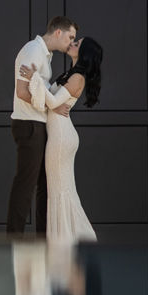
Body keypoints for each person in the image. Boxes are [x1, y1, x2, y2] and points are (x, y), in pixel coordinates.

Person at [6, 14, 77, 236]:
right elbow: (22, 91)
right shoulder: (33, 50)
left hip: (37, 124)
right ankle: (14, 239)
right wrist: (52, 105)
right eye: (70, 37)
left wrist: (50, 103)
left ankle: (43, 239)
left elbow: (37, 89)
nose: (71, 43)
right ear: (58, 32)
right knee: (25, 184)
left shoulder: (45, 55)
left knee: (43, 186)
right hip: (29, 124)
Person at [36, 35, 103, 245]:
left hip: (61, 138)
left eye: (77, 44)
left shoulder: (78, 77)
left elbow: (53, 101)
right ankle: (69, 242)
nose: (72, 44)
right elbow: (52, 101)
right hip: (60, 135)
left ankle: (70, 242)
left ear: (84, 53)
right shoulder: (70, 74)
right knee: (60, 191)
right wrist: (48, 98)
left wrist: (34, 78)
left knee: (60, 192)